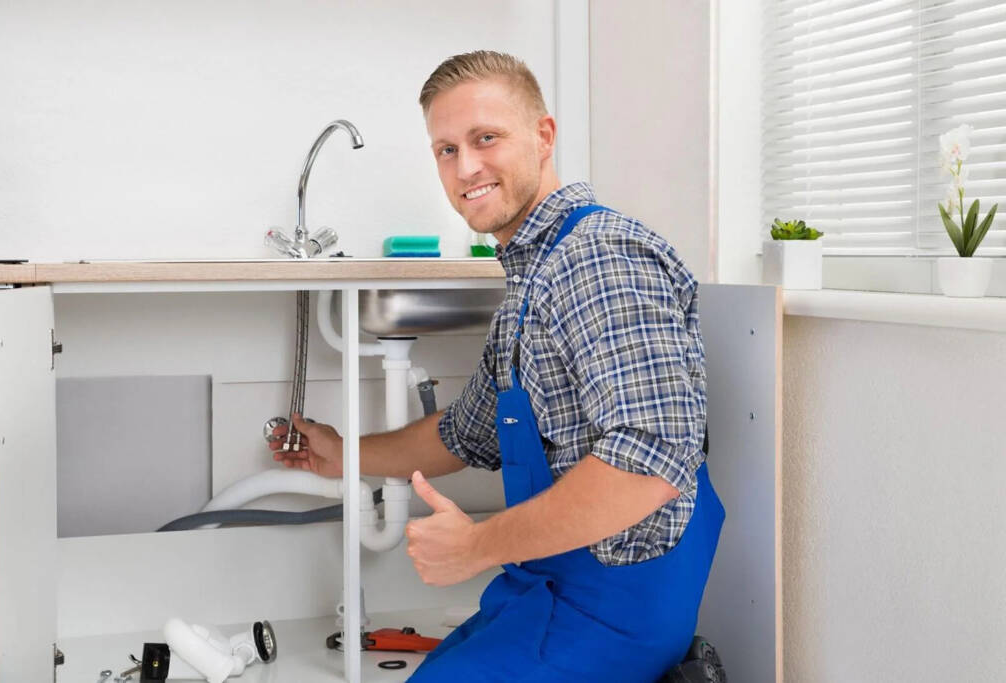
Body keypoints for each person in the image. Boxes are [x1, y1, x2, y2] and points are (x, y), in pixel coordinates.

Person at [271, 50, 724, 682]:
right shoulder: (532, 278)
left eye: (486, 138)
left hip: (615, 617)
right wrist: (342, 453)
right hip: (546, 593)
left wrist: (478, 547)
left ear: (543, 136)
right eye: (446, 150)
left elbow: (651, 460)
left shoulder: (597, 259)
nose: (466, 167)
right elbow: (465, 434)